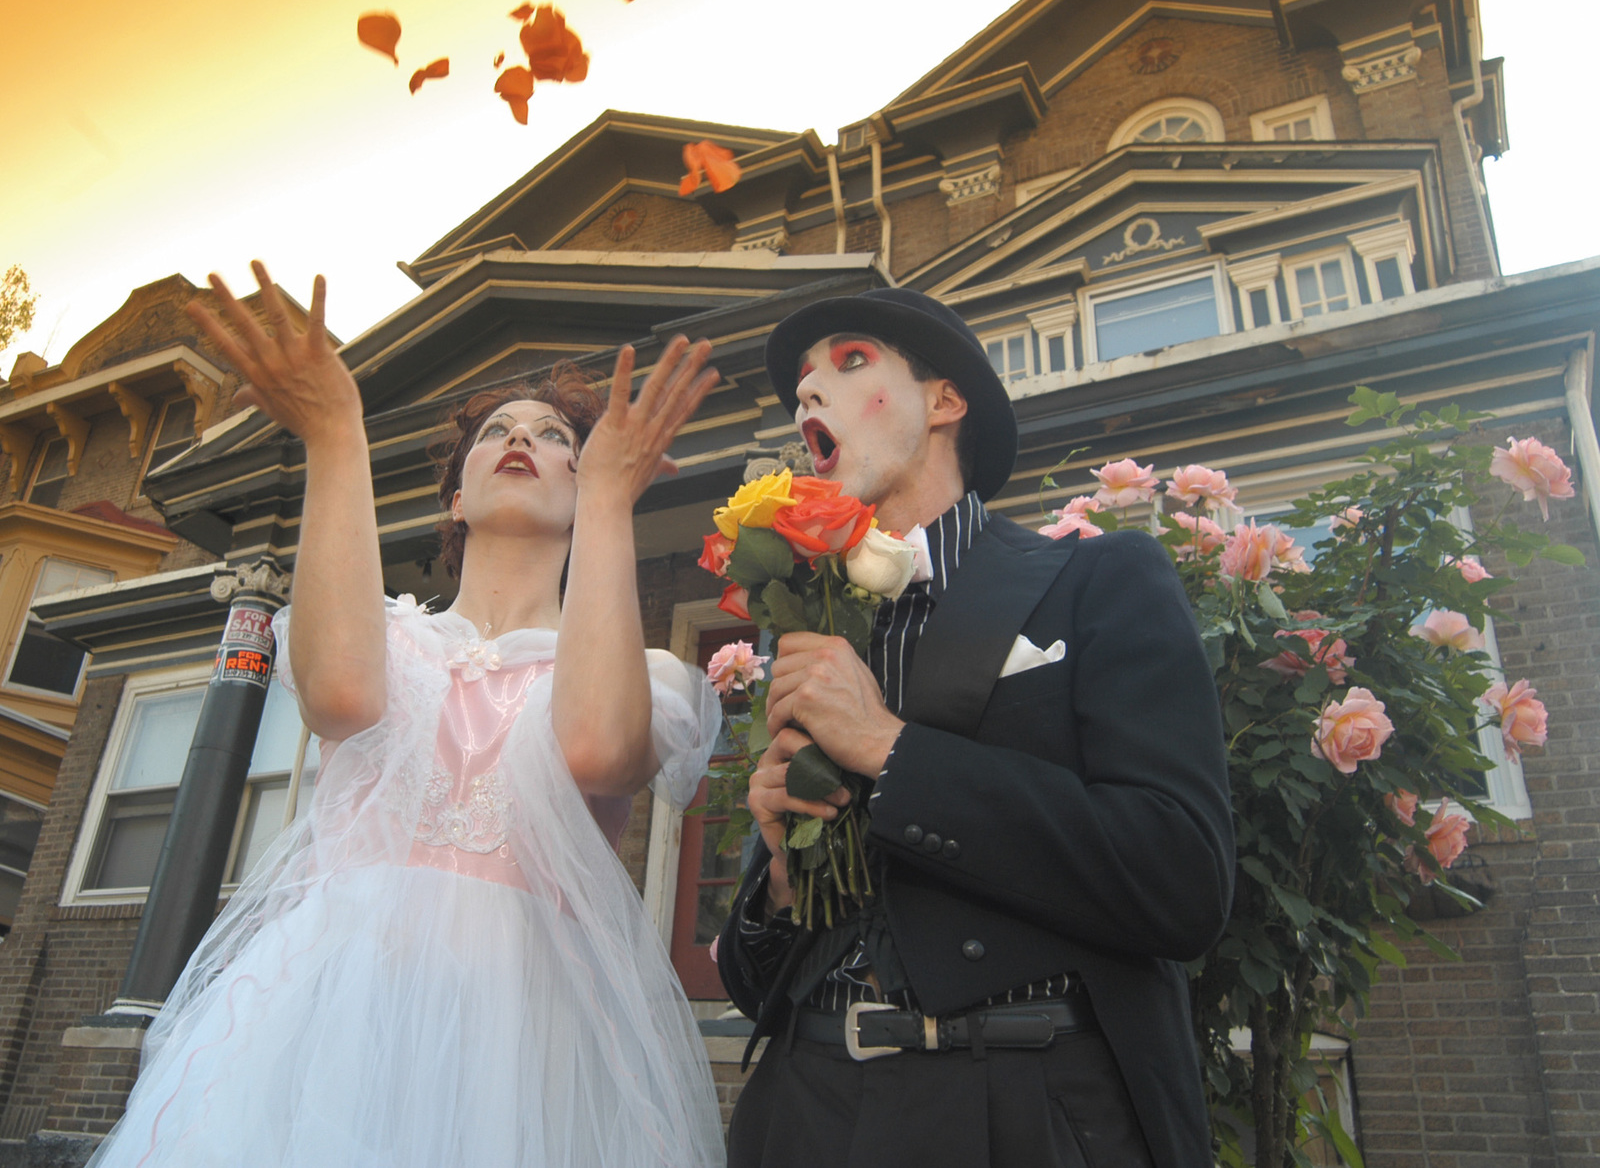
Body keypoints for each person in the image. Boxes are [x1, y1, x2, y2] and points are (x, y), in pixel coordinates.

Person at [88, 262, 727, 1167]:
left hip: (527, 1036)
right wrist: (333, 428)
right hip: (328, 1016)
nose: (522, 438)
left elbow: (593, 748)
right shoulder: (388, 639)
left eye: (555, 438)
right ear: (457, 496)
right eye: (497, 431)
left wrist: (613, 500)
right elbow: (340, 696)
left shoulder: (651, 672)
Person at [715, 287, 1236, 1168]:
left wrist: (890, 748)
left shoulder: (1100, 579)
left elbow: (1181, 879)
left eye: (849, 364)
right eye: (802, 383)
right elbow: (756, 978)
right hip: (803, 1109)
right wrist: (776, 883)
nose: (807, 393)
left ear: (945, 402)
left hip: (1019, 1104)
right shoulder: (808, 623)